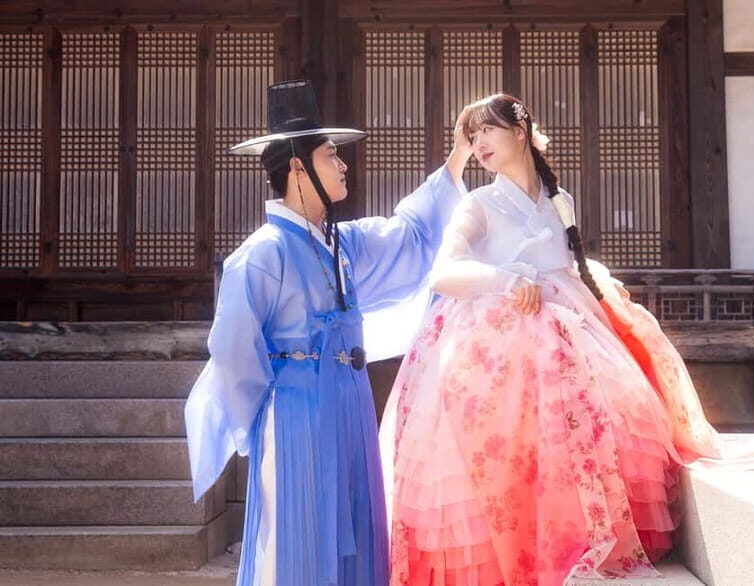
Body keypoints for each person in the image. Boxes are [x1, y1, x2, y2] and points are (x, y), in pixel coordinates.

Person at [380, 93, 726, 585]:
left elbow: (566, 262)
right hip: (501, 336)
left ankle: (579, 540)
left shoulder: (560, 201)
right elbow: (444, 273)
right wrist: (506, 279)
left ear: (520, 132)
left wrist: (598, 288)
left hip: (570, 322)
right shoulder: (478, 205)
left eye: (488, 131)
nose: (479, 143)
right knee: (508, 444)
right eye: (472, 136)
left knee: (601, 421)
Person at [184, 79, 470, 586]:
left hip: (351, 403)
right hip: (294, 411)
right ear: (297, 168)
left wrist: (458, 156)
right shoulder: (261, 253)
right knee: (298, 536)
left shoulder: (343, 244)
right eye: (330, 156)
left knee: (358, 526)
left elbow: (411, 234)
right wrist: (265, 421)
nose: (342, 166)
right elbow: (233, 355)